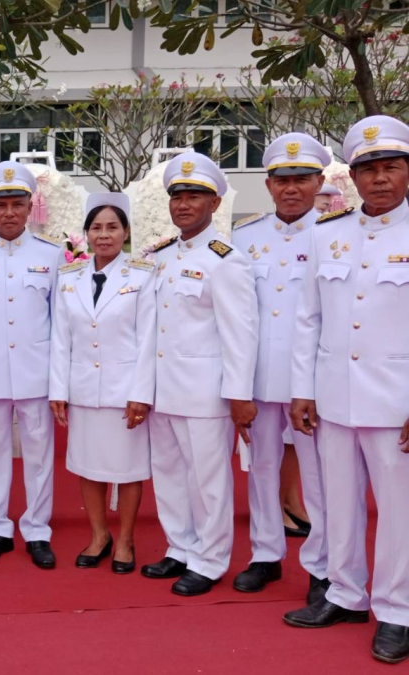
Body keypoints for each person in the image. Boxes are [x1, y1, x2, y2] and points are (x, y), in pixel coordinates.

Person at [284, 115, 409, 665]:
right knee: (337, 503)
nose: (380, 179)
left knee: (399, 511)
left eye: (391, 168)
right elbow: (307, 319)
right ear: (353, 177)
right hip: (333, 395)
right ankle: (346, 593)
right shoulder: (326, 233)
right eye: (369, 170)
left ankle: (398, 610)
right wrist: (301, 389)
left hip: (395, 401)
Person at [140, 153, 259, 597]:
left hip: (206, 391)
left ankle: (210, 560)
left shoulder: (225, 259)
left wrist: (239, 394)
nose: (184, 204)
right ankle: (180, 546)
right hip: (164, 387)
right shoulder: (163, 256)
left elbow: (240, 333)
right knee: (169, 473)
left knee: (208, 480)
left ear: (214, 202)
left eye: (195, 195)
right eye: (178, 196)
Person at [229, 133, 331, 598]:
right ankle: (265, 555)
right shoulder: (244, 237)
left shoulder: (335, 234)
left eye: (302, 179)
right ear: (268, 185)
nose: (291, 189)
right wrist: (239, 387)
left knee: (319, 477)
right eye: (282, 180)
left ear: (319, 182)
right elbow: (236, 317)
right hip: (260, 376)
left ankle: (323, 565)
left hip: (314, 382)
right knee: (263, 468)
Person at [0, 161, 65, 569]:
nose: (9, 213)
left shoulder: (51, 255)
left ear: (29, 207)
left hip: (37, 371)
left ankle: (37, 529)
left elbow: (61, 323)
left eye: (17, 204)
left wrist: (60, 380)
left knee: (39, 453)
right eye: (0, 205)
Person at [49, 193, 156, 574]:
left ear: (126, 233)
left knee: (127, 469)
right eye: (96, 228)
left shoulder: (143, 275)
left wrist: (141, 394)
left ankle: (125, 538)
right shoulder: (68, 278)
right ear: (86, 234)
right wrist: (58, 391)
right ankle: (99, 535)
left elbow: (149, 341)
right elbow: (61, 340)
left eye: (112, 227)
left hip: (124, 391)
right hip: (82, 389)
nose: (104, 235)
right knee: (89, 466)